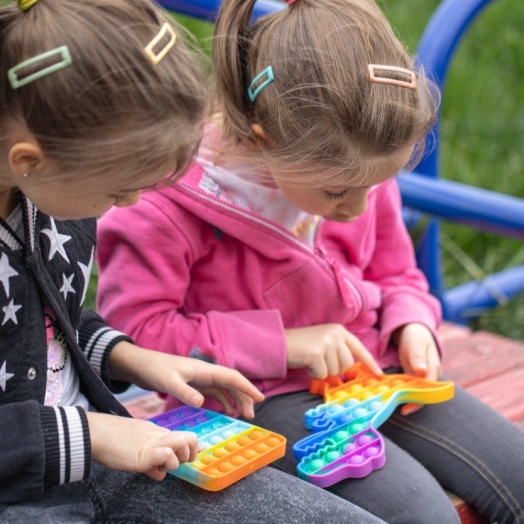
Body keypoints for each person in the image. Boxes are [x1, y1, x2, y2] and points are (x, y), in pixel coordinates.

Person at [96, 0, 524, 523]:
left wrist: (412, 321)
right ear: (265, 141)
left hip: (375, 369)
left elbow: (396, 272)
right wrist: (284, 344)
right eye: (340, 192)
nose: (360, 208)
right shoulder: (163, 205)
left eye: (376, 185)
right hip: (256, 399)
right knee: (421, 514)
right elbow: (135, 336)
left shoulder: (354, 159)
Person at [0, 1, 391, 523]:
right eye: (119, 190)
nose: (131, 205)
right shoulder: (57, 191)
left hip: (114, 455)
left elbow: (46, 327)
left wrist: (132, 358)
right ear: (28, 160)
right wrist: (90, 432)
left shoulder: (51, 196)